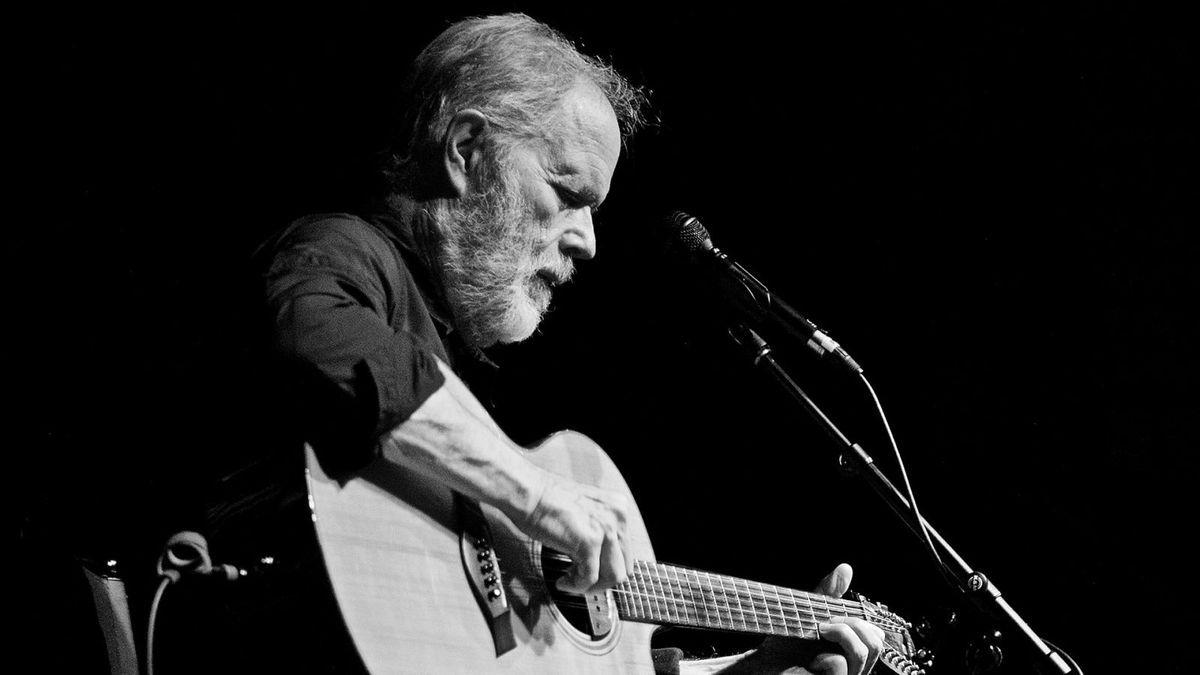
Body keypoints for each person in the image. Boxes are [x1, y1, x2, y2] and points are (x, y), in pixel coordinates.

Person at [244, 13, 883, 675]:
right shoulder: (345, 250)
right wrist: (540, 494)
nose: (588, 241)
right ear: (465, 149)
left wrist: (748, 668)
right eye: (568, 193)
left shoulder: (458, 366)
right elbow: (318, 335)